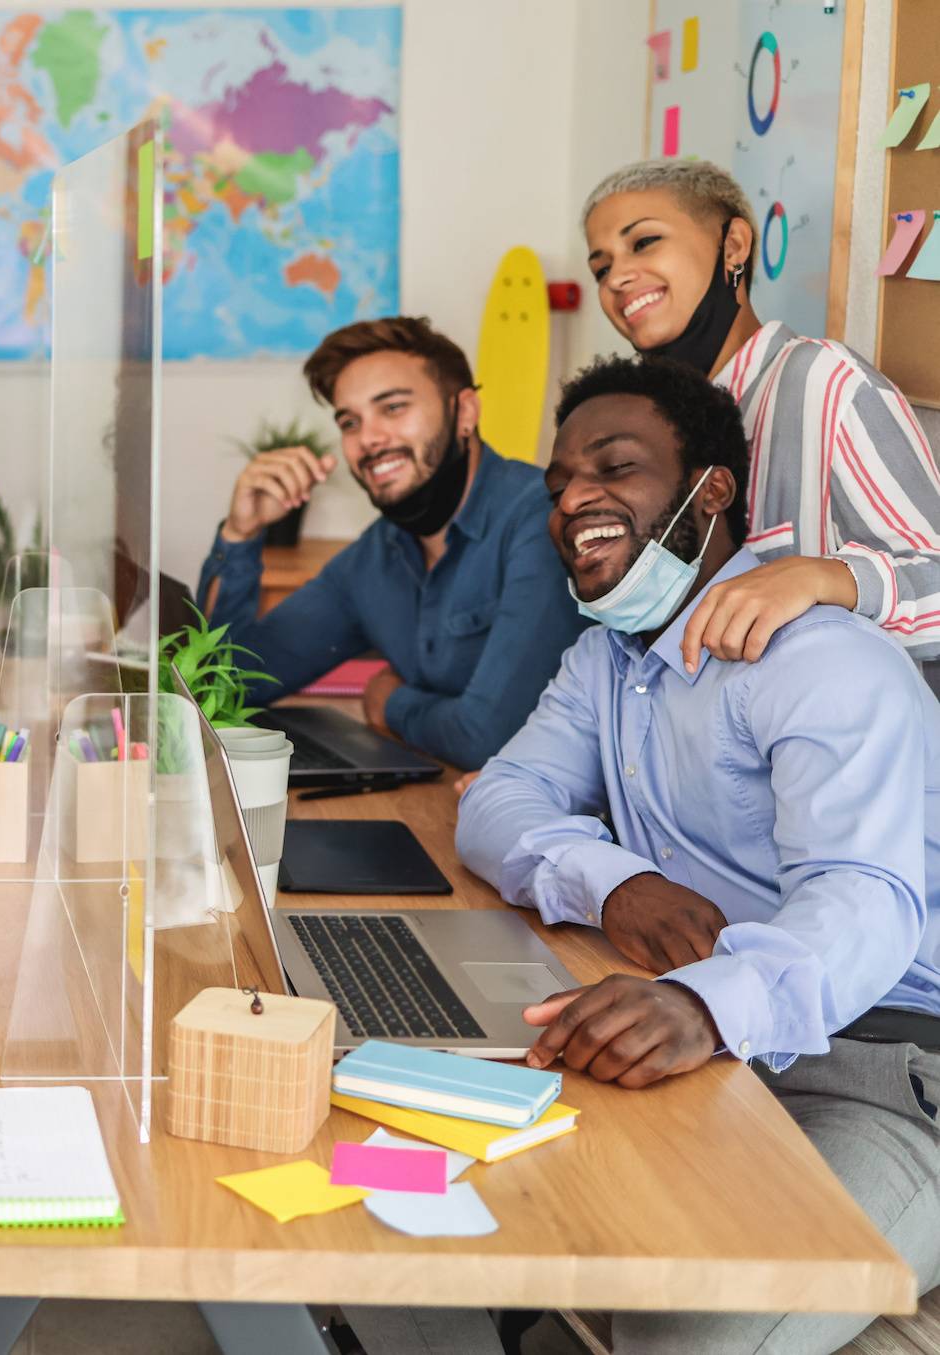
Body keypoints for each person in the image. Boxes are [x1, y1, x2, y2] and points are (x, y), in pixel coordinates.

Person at [458, 355, 940, 1354]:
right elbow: (497, 801)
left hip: (884, 1061)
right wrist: (617, 883)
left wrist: (704, 1001)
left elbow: (862, 898)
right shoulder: (604, 657)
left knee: (689, 1334)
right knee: (475, 1200)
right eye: (558, 484)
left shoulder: (820, 660)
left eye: (614, 467)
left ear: (706, 490)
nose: (573, 498)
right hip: (713, 1047)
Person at [583, 157, 940, 692]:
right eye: (601, 267)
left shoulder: (824, 381)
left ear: (733, 246)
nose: (618, 277)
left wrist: (822, 577)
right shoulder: (653, 430)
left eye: (644, 242)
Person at [195, 317, 588, 770]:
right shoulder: (372, 558)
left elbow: (487, 736)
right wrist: (240, 535)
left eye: (394, 407)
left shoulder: (540, 520)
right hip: (440, 802)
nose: (370, 439)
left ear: (465, 412)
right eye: (350, 421)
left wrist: (390, 701)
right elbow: (222, 689)